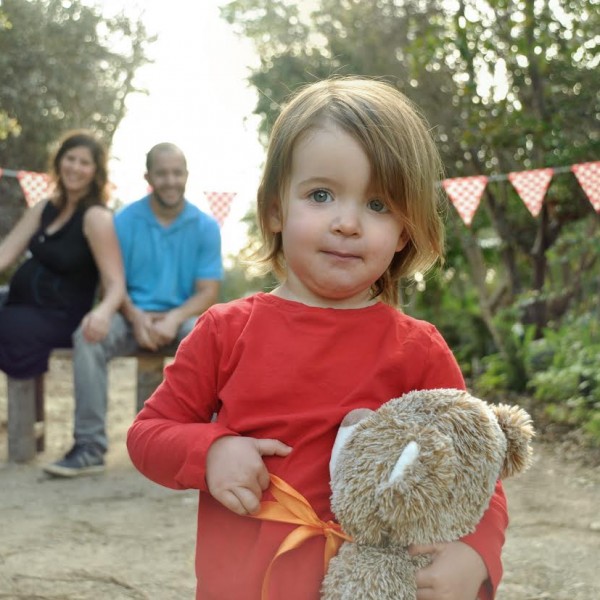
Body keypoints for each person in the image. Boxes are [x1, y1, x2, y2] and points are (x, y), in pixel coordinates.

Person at [127, 78, 508, 600]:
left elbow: (476, 467)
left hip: (375, 585)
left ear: (404, 230)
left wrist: (476, 555)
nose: (347, 222)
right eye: (321, 195)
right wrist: (211, 449)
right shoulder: (226, 330)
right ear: (275, 210)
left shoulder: (417, 349)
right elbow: (148, 434)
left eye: (378, 204)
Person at [43, 142, 223, 478]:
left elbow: (208, 292)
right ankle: (90, 448)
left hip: (181, 321)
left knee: (212, 336)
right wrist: (136, 316)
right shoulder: (124, 221)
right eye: (162, 173)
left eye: (177, 172)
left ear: (186, 175)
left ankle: (204, 446)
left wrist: (172, 318)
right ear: (148, 176)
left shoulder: (205, 226)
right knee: (89, 335)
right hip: (130, 317)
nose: (170, 180)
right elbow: (110, 282)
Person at [0, 130, 125, 380]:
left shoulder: (96, 217)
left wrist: (102, 312)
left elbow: (116, 283)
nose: (75, 167)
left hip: (61, 316)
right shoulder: (44, 207)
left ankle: (23, 417)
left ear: (95, 172)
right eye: (70, 158)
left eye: (84, 162)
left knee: (9, 328)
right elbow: (5, 252)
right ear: (59, 161)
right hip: (20, 303)